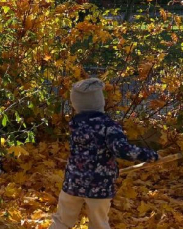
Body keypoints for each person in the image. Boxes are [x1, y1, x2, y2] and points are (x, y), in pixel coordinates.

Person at [49, 78, 159, 229]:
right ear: (100, 102)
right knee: (99, 224)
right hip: (99, 186)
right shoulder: (109, 127)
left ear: (76, 104)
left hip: (73, 183)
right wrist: (148, 155)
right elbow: (122, 149)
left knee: (61, 221)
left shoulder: (75, 125)